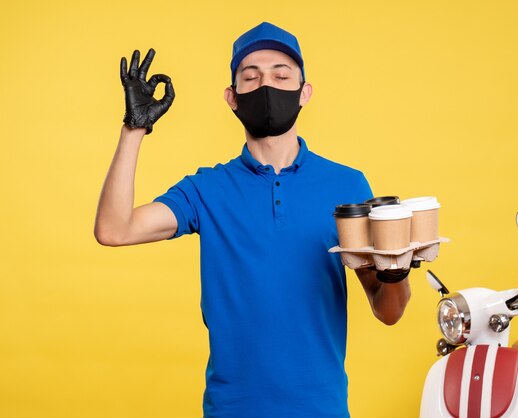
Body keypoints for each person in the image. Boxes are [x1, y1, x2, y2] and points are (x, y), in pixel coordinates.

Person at [95, 22, 412, 418]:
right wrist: (134, 129)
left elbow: (389, 311)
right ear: (232, 97)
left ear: (304, 92)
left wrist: (396, 270)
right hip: (231, 409)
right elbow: (113, 229)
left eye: (281, 75)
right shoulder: (206, 189)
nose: (267, 85)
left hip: (321, 408)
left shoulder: (346, 185)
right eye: (251, 77)